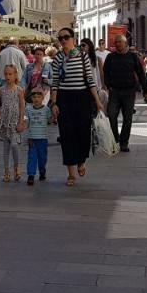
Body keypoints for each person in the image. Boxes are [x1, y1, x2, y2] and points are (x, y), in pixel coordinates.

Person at [50, 28, 102, 187]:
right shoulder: (58, 58)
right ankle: (71, 174)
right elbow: (55, 83)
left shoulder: (82, 56)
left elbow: (90, 80)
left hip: (82, 97)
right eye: (60, 38)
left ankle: (81, 161)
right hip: (64, 99)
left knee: (83, 133)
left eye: (66, 37)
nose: (63, 41)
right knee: (67, 136)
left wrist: (98, 101)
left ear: (73, 39)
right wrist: (54, 103)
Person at [101, 34, 147, 151]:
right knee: (111, 115)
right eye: (115, 42)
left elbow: (141, 73)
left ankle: (124, 142)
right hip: (114, 91)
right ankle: (115, 138)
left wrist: (145, 90)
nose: (116, 44)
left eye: (118, 42)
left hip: (129, 92)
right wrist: (108, 84)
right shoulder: (111, 57)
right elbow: (105, 72)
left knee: (128, 118)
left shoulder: (132, 57)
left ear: (125, 43)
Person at [0, 65, 26, 183]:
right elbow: (1, 104)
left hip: (15, 122)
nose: (8, 76)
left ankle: (17, 168)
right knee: (6, 147)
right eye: (6, 74)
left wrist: (21, 121)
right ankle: (6, 171)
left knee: (14, 145)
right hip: (5, 122)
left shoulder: (19, 90)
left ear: (15, 75)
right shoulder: (2, 89)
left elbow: (22, 106)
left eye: (10, 74)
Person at [24, 87, 51, 185]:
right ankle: (31, 175)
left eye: (38, 97)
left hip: (43, 138)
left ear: (42, 97)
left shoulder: (46, 109)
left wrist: (54, 116)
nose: (36, 99)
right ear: (31, 98)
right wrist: (23, 124)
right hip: (32, 138)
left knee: (42, 157)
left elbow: (50, 120)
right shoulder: (28, 109)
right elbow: (26, 120)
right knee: (32, 157)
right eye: (34, 97)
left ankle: (42, 170)